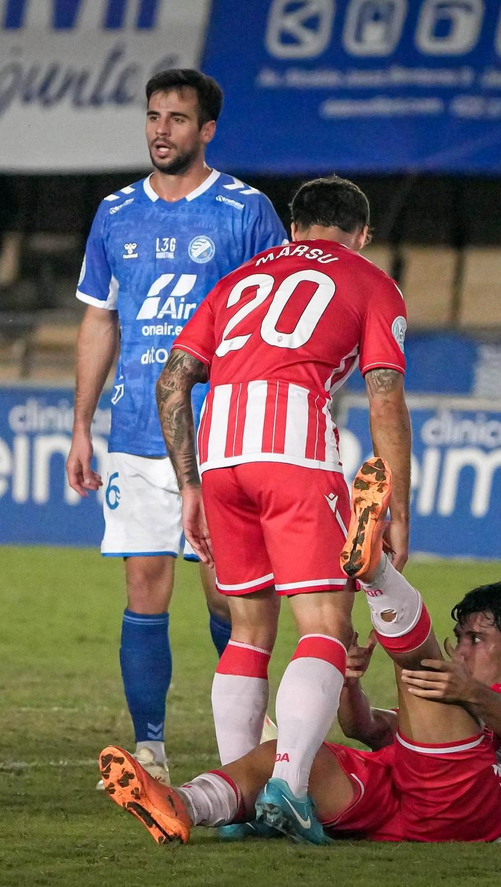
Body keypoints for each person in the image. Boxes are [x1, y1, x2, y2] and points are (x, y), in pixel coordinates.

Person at [154, 176, 413, 841]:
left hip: (218, 458)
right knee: (325, 626)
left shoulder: (243, 276)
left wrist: (190, 485)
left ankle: (234, 796)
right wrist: (397, 505)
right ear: (361, 235)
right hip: (294, 452)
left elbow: (172, 379)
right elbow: (383, 396)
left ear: (295, 229)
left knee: (247, 632)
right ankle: (288, 789)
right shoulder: (370, 280)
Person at [67, 68, 289, 786]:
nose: (162, 129)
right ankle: (152, 746)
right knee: (144, 587)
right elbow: (100, 319)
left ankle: (248, 732)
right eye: (154, 116)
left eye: (178, 118)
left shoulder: (246, 211)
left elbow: (276, 319)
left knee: (227, 590)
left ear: (207, 130)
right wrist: (80, 424)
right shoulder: (115, 212)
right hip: (135, 432)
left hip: (222, 432)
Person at [99, 577, 501, 844]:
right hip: (401, 797)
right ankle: (182, 805)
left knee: (426, 676)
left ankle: (377, 574)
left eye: (476, 639)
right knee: (283, 758)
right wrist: (349, 684)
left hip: (472, 813)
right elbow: (365, 728)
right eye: (462, 638)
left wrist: (471, 693)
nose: (464, 650)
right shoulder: (452, 700)